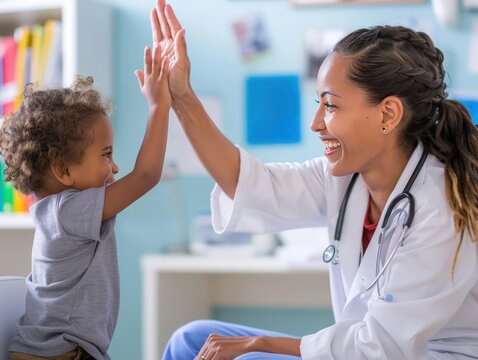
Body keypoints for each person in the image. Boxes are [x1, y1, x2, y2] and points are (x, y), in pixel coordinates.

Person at [153, 1, 478, 359]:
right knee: (192, 339)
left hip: (428, 355)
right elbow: (250, 184)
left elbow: (381, 347)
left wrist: (259, 343)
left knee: (244, 356)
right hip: (362, 347)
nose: (316, 123)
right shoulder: (345, 179)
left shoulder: (440, 205)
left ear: (388, 113)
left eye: (331, 105)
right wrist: (181, 96)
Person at [0, 39, 171, 359]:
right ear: (63, 170)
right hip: (57, 354)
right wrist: (158, 106)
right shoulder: (68, 212)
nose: (115, 166)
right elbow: (146, 175)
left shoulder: (60, 211)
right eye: (106, 155)